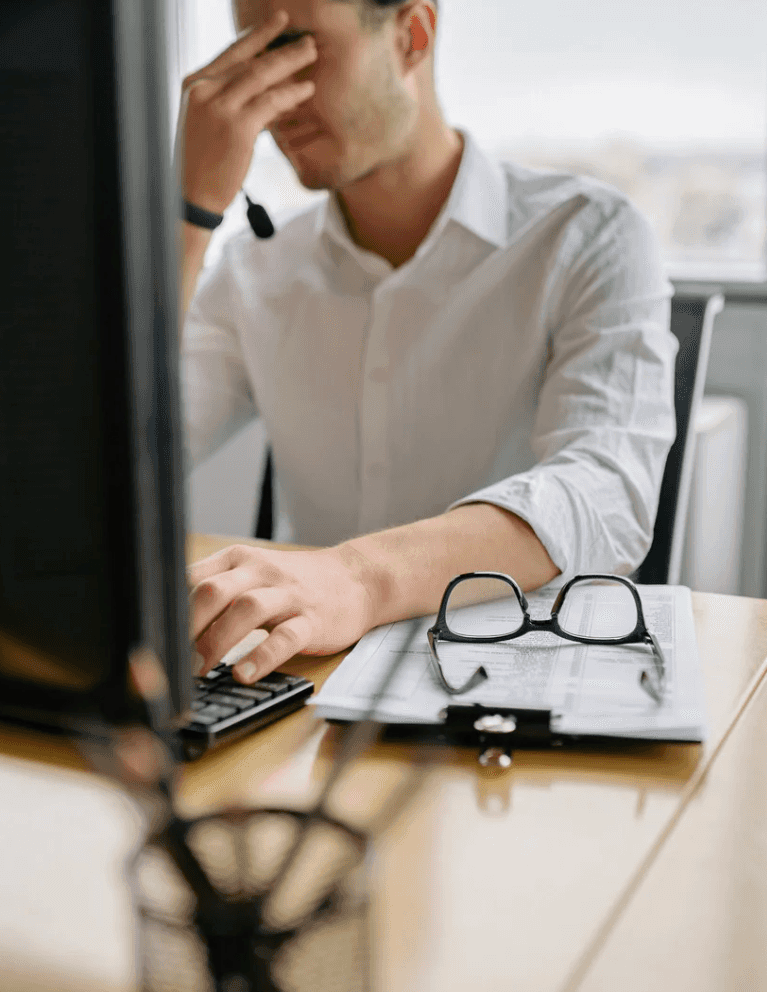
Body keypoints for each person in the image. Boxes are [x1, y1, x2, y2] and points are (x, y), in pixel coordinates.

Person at [178, 0, 677, 686]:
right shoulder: (253, 270)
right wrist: (187, 211)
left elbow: (606, 491)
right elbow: (111, 461)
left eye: (294, 47)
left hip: (514, 683)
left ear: (412, 35)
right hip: (305, 687)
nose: (268, 100)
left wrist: (355, 578)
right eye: (248, 56)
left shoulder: (589, 236)